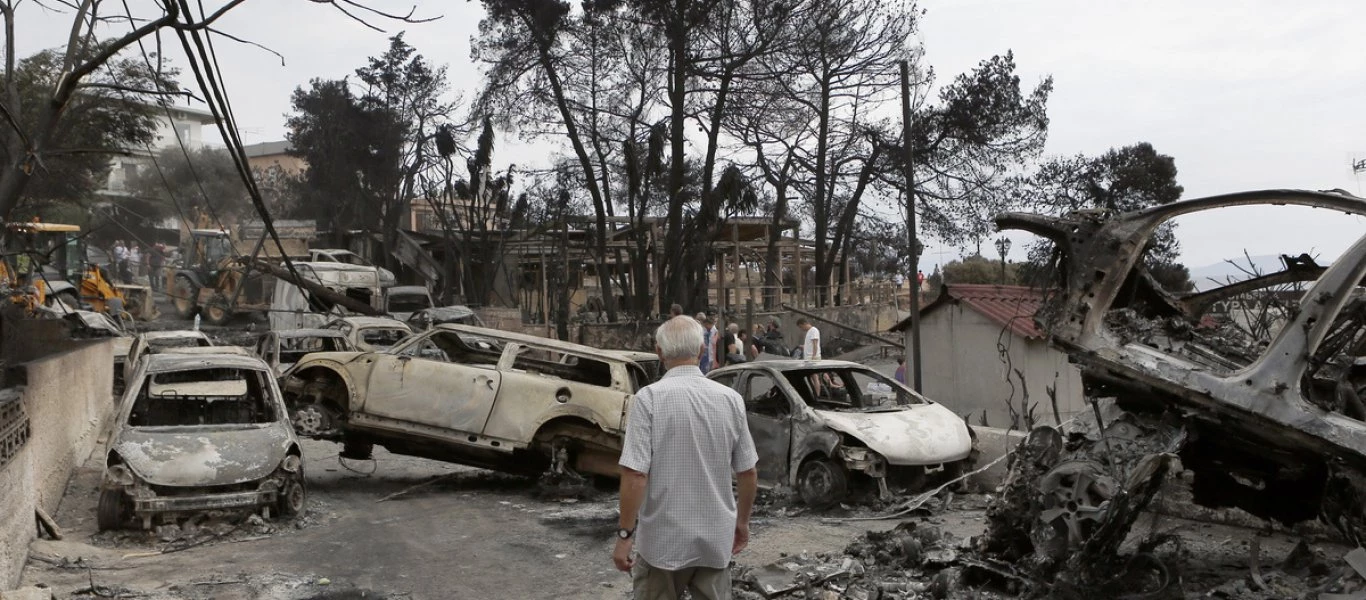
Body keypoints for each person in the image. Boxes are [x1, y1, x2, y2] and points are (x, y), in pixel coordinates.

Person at [614, 316, 759, 600]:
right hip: (715, 539)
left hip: (662, 543)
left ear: (659, 352)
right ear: (702, 351)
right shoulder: (730, 399)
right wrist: (742, 523)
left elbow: (635, 474)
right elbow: (748, 471)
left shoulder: (648, 399)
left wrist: (625, 535)